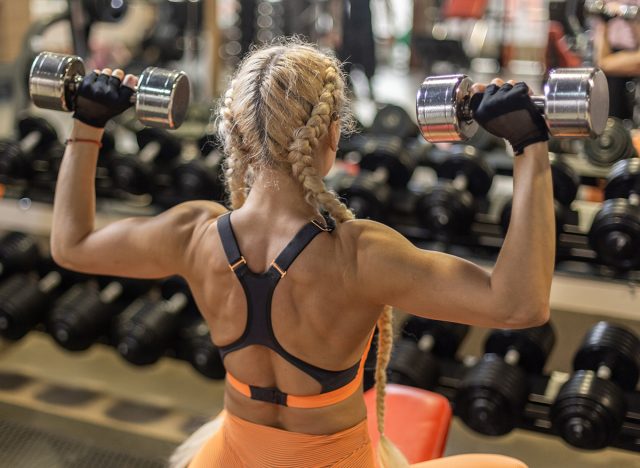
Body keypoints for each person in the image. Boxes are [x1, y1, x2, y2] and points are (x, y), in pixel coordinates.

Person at [50, 38, 553, 467]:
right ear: (331, 133)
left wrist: (88, 124)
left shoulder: (193, 232)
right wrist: (529, 147)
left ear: (234, 134)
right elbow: (518, 304)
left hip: (235, 454)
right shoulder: (359, 255)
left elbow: (71, 246)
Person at [593, 0, 640, 120]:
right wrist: (605, 20)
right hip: (616, 55)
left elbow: (604, 64)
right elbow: (601, 63)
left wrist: (632, 19)